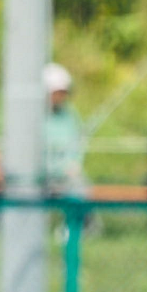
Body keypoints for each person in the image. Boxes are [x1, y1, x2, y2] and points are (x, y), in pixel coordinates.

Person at [42, 64, 88, 198]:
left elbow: (77, 145)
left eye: (63, 93)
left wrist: (72, 166)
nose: (60, 97)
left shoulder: (70, 115)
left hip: (66, 178)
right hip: (40, 177)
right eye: (56, 93)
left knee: (80, 194)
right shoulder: (32, 117)